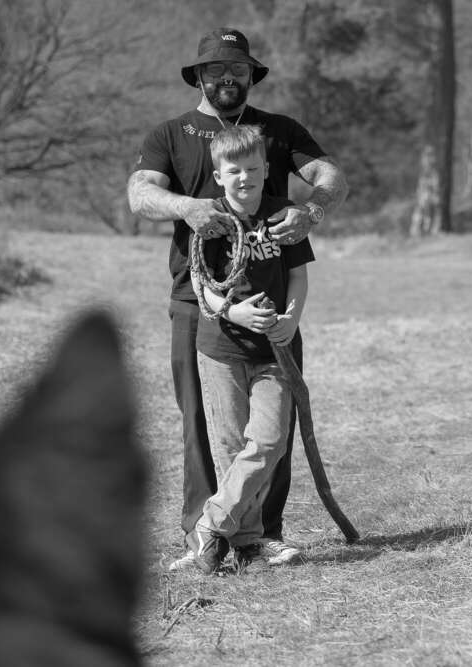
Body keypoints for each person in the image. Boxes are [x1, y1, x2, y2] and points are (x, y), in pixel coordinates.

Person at [127, 27, 348, 569]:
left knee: (273, 429)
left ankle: (261, 535)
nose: (228, 77)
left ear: (251, 75)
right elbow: (139, 193)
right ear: (199, 77)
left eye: (238, 69)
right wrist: (186, 207)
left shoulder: (278, 130)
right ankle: (203, 535)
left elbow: (331, 176)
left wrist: (312, 210)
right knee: (203, 425)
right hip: (194, 298)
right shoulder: (171, 133)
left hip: (270, 302)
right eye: (217, 70)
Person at [190, 124, 314, 573]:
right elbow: (200, 284)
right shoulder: (210, 220)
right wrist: (234, 312)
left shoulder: (283, 216)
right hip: (221, 349)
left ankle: (210, 523)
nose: (244, 177)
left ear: (265, 169)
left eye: (252, 168)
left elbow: (298, 275)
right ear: (218, 175)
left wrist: (291, 319)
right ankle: (246, 544)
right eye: (234, 170)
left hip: (274, 351)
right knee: (229, 446)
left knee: (269, 439)